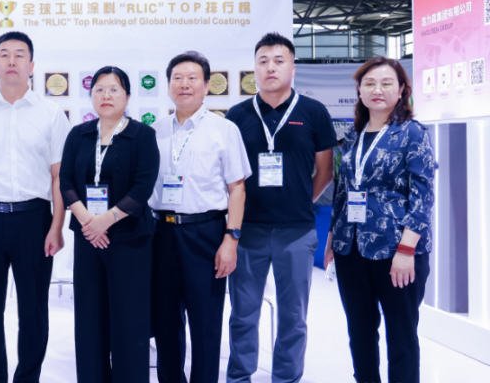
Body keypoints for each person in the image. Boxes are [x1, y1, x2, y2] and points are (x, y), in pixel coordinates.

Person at [0, 31, 70, 383]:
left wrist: (56, 226)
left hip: (34, 220)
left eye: (20, 55)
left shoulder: (52, 114)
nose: (11, 61)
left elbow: (59, 177)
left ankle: (27, 378)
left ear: (32, 66)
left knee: (33, 311)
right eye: (4, 54)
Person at [224, 33, 336, 383]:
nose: (270, 67)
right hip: (248, 232)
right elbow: (229, 175)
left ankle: (286, 378)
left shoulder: (313, 112)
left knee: (293, 316)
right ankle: (239, 376)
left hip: (296, 231)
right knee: (243, 314)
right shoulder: (237, 114)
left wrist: (299, 201)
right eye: (263, 61)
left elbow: (325, 171)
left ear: (292, 67)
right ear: (254, 69)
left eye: (278, 60)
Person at [325, 57, 435, 383]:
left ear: (401, 90)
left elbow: (423, 196)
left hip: (396, 250)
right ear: (359, 90)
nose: (377, 89)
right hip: (351, 249)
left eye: (387, 83)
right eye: (369, 83)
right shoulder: (353, 136)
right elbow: (343, 190)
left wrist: (406, 250)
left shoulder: (412, 133)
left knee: (401, 334)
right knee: (359, 331)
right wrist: (333, 237)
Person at [149, 52, 251, 383]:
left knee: (206, 323)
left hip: (206, 234)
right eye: (177, 78)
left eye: (193, 78)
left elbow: (237, 189)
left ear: (207, 85)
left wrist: (231, 239)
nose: (184, 84)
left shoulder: (225, 129)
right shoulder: (154, 131)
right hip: (161, 234)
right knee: (165, 322)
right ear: (168, 85)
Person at [59, 66, 160, 383]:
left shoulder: (142, 135)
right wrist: (89, 222)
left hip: (130, 241)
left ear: (127, 97)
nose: (106, 95)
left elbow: (143, 187)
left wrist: (105, 220)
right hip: (88, 239)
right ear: (91, 96)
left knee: (129, 321)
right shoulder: (79, 135)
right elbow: (66, 182)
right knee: (90, 319)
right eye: (99, 89)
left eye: (114, 89)